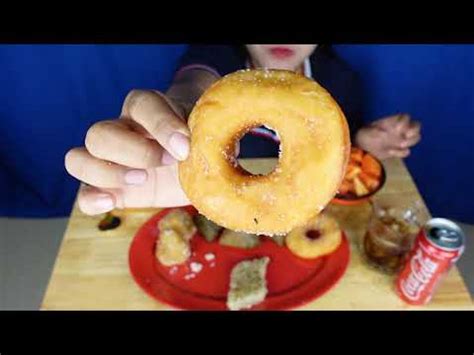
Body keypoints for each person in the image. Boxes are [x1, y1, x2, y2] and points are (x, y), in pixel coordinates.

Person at [65, 44, 421, 215]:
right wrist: (178, 116)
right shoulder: (218, 58)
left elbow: (336, 149)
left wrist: (362, 141)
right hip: (201, 209)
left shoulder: (341, 82)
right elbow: (195, 83)